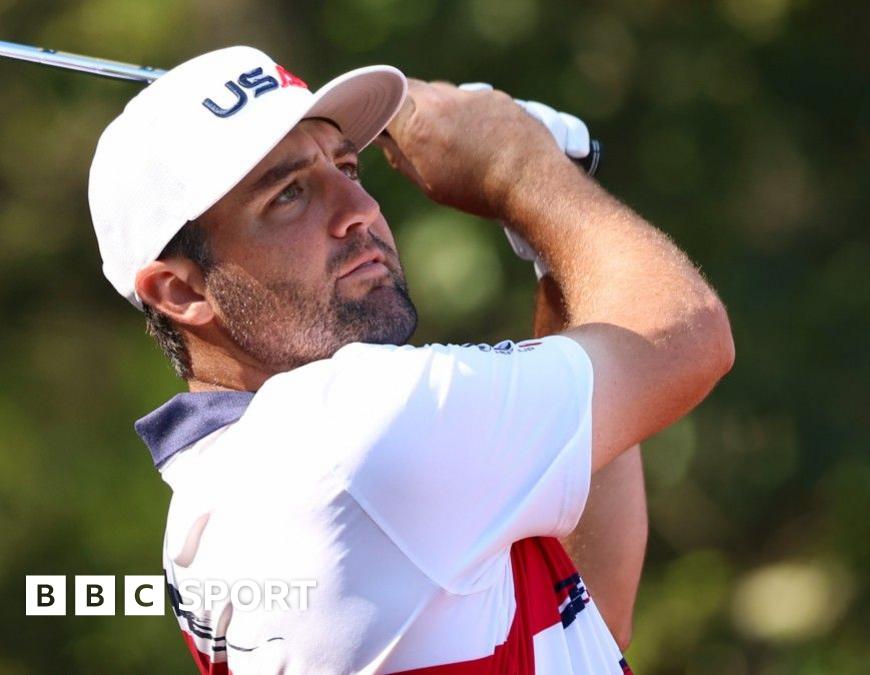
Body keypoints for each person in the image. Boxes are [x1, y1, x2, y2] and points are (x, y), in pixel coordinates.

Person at [89, 45, 733, 674]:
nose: (359, 211)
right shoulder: (348, 432)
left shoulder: (221, 493)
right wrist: (517, 168)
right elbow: (686, 339)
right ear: (181, 290)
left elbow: (585, 618)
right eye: (287, 195)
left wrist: (551, 224)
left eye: (347, 168)